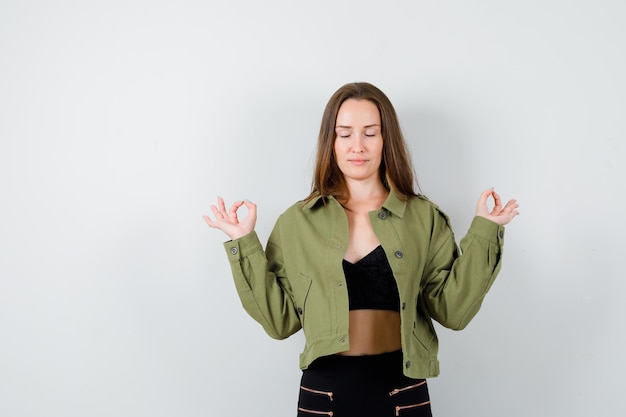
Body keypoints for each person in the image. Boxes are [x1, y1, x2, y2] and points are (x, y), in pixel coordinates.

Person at [203, 82, 519, 417]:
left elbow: (453, 312)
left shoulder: (423, 217)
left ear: (386, 140)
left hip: (403, 393)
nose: (358, 146)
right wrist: (243, 243)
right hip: (323, 398)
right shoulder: (296, 222)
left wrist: (486, 231)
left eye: (370, 133)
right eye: (345, 134)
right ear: (331, 142)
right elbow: (279, 323)